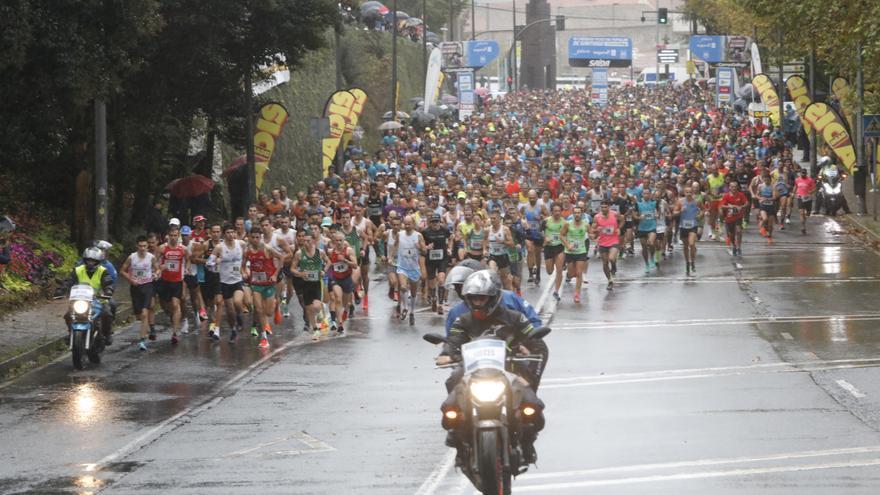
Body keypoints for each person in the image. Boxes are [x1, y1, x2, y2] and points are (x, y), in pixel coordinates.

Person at [435, 270, 548, 465]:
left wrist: (527, 349)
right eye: (473, 298)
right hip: (473, 372)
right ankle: (460, 440)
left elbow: (536, 342)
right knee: (449, 406)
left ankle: (527, 443)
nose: (477, 303)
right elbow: (453, 341)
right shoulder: (463, 320)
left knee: (534, 408)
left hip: (510, 371)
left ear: (495, 297)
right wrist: (446, 354)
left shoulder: (516, 318)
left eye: (482, 298)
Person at [243, 229, 285, 348]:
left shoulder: (267, 248)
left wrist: (275, 274)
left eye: (257, 237)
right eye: (253, 237)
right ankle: (264, 337)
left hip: (269, 283)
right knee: (259, 309)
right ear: (250, 238)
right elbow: (242, 266)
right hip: (256, 284)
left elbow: (281, 257)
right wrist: (245, 272)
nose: (255, 240)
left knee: (268, 312)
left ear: (260, 237)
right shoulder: (247, 251)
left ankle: (276, 305)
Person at [65, 247, 115, 345]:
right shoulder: (78, 270)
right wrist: (62, 288)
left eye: (93, 261)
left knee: (107, 314)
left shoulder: (103, 271)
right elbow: (69, 281)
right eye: (88, 260)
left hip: (98, 300)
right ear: (84, 260)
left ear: (98, 261)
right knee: (68, 315)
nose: (90, 263)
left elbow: (108, 283)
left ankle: (107, 334)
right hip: (79, 300)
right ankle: (71, 333)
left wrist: (108, 290)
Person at [120, 236, 159, 350]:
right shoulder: (132, 257)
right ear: (137, 246)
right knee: (138, 314)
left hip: (147, 286)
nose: (142, 248)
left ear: (147, 246)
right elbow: (122, 271)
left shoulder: (151, 257)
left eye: (145, 246)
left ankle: (142, 340)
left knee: (144, 313)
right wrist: (131, 280)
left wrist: (156, 274)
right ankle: (148, 328)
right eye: (140, 246)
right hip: (135, 287)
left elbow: (157, 269)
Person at [156, 224, 189, 343]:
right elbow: (154, 262)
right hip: (164, 281)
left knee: (176, 305)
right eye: (171, 235)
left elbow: (188, 260)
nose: (173, 238)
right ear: (168, 236)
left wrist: (186, 269)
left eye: (176, 235)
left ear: (178, 236)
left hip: (177, 281)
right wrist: (160, 267)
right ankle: (174, 320)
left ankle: (175, 333)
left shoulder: (183, 249)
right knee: (166, 307)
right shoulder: (162, 248)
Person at [396, 215, 425, 326]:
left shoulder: (418, 236)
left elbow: (424, 252)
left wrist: (419, 247)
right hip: (402, 266)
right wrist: (391, 256)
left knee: (413, 293)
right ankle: (405, 308)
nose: (407, 226)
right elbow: (395, 246)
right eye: (405, 224)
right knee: (403, 287)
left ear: (413, 224)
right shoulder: (400, 234)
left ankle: (412, 312)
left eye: (409, 224)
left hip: (414, 268)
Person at [589, 200, 622, 290]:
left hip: (614, 240)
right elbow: (593, 229)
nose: (603, 209)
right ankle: (610, 281)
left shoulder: (614, 214)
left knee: (611, 258)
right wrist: (595, 231)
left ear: (609, 207)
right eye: (602, 207)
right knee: (605, 262)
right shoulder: (597, 217)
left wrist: (619, 228)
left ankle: (614, 265)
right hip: (603, 242)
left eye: (605, 207)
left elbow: (622, 219)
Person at [560, 205, 589, 302]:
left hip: (581, 251)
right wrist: (567, 245)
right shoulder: (567, 224)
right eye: (575, 213)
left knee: (579, 273)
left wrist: (597, 233)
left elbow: (592, 235)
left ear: (582, 214)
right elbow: (561, 236)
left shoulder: (585, 224)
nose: (577, 214)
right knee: (572, 274)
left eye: (578, 213)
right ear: (573, 214)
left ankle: (577, 294)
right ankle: (570, 274)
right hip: (570, 252)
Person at [674, 187, 702, 276]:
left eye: (690, 192)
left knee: (691, 244)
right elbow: (674, 212)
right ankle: (687, 262)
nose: (689, 194)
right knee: (686, 246)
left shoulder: (697, 201)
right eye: (687, 192)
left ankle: (692, 261)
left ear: (693, 192)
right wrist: (680, 211)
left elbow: (704, 210)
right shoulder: (680, 202)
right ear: (684, 192)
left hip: (693, 225)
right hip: (683, 226)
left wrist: (700, 215)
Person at [719, 182, 748, 256]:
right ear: (729, 187)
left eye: (735, 186)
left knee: (738, 231)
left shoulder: (740, 195)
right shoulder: (726, 196)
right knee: (731, 234)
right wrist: (731, 207)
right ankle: (734, 245)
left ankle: (739, 247)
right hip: (729, 217)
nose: (734, 188)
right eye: (732, 187)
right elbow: (722, 205)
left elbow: (747, 203)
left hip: (738, 216)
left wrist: (741, 206)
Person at [794, 167, 816, 234]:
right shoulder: (797, 180)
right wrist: (793, 193)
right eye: (802, 173)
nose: (803, 174)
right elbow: (796, 186)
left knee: (807, 214)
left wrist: (810, 192)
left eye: (804, 173)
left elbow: (814, 188)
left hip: (808, 198)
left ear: (806, 173)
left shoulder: (810, 180)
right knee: (801, 213)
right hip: (800, 197)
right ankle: (803, 227)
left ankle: (804, 220)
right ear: (800, 173)